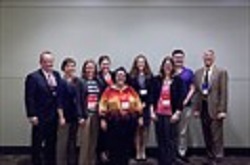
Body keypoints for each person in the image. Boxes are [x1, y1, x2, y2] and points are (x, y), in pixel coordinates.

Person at [99, 67, 143, 165]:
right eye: (118, 75)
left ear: (125, 77)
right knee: (114, 146)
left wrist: (140, 116)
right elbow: (102, 105)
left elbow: (138, 103)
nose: (120, 77)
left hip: (129, 123)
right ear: (115, 77)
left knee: (127, 146)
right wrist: (102, 119)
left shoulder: (131, 90)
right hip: (113, 123)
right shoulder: (108, 90)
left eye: (122, 75)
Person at [25, 51, 62, 165]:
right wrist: (32, 115)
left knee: (51, 143)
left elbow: (59, 95)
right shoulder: (33, 77)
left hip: (53, 116)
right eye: (46, 62)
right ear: (41, 62)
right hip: (39, 116)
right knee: (37, 143)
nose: (49, 64)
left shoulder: (56, 75)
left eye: (51, 61)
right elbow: (29, 97)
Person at [193, 50, 228, 165]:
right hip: (203, 107)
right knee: (206, 133)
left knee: (216, 135)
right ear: (203, 58)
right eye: (205, 56)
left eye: (210, 56)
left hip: (215, 109)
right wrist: (196, 109)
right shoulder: (198, 73)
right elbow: (197, 93)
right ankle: (210, 155)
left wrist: (222, 110)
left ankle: (218, 157)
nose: (207, 58)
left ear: (214, 57)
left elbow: (224, 92)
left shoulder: (221, 72)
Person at [151, 56, 184, 165]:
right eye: (166, 65)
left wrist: (178, 112)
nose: (168, 67)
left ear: (173, 67)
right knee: (161, 137)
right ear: (162, 66)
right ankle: (162, 160)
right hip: (159, 113)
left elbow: (181, 98)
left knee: (171, 138)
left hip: (172, 114)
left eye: (170, 65)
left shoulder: (178, 81)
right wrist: (151, 112)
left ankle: (171, 160)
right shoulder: (156, 80)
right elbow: (151, 97)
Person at [172, 49, 195, 163]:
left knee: (182, 131)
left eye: (180, 57)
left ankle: (181, 152)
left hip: (186, 106)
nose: (178, 59)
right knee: (171, 131)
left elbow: (192, 88)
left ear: (183, 59)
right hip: (170, 108)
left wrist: (186, 100)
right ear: (172, 59)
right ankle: (171, 152)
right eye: (176, 57)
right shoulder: (168, 71)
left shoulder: (189, 72)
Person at [129, 54, 153, 161]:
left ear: (145, 64)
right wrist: (137, 104)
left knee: (145, 130)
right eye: (139, 62)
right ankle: (137, 151)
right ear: (135, 64)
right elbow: (130, 92)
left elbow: (152, 93)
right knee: (137, 129)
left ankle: (143, 150)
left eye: (142, 62)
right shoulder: (131, 76)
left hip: (146, 106)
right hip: (135, 107)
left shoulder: (150, 76)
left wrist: (146, 103)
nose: (141, 64)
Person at [56, 58, 80, 165]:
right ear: (64, 68)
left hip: (74, 116)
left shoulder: (76, 81)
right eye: (69, 66)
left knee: (72, 142)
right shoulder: (60, 82)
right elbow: (59, 101)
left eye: (73, 66)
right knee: (62, 143)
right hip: (64, 117)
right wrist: (61, 117)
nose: (71, 68)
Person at [78, 59, 102, 165]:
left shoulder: (98, 81)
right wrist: (80, 116)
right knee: (85, 142)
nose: (90, 70)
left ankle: (91, 161)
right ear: (84, 69)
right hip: (85, 114)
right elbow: (77, 100)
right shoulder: (80, 81)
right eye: (87, 67)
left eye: (92, 67)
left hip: (96, 114)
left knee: (94, 140)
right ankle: (83, 162)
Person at [96, 55, 115, 164]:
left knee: (111, 133)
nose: (105, 66)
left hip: (113, 110)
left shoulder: (113, 75)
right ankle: (101, 154)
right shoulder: (96, 76)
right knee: (102, 132)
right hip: (101, 108)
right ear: (100, 65)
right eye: (103, 64)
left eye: (107, 64)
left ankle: (109, 153)